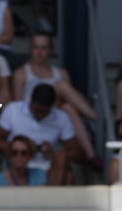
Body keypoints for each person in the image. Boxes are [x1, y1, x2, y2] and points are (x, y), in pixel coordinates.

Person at [12, 31, 99, 169]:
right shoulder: (20, 73)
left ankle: (90, 154)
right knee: (62, 90)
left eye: (43, 47)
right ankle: (97, 119)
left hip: (54, 114)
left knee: (68, 107)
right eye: (35, 47)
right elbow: (17, 106)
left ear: (51, 50)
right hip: (32, 114)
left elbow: (68, 100)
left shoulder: (61, 73)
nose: (39, 52)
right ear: (30, 49)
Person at [0, 83, 79, 186]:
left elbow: (77, 153)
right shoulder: (12, 110)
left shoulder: (61, 117)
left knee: (61, 156)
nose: (40, 115)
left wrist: (52, 153)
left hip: (49, 169)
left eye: (45, 112)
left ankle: (51, 198)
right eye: (37, 110)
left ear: (52, 106)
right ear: (30, 100)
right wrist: (26, 148)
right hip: (20, 164)